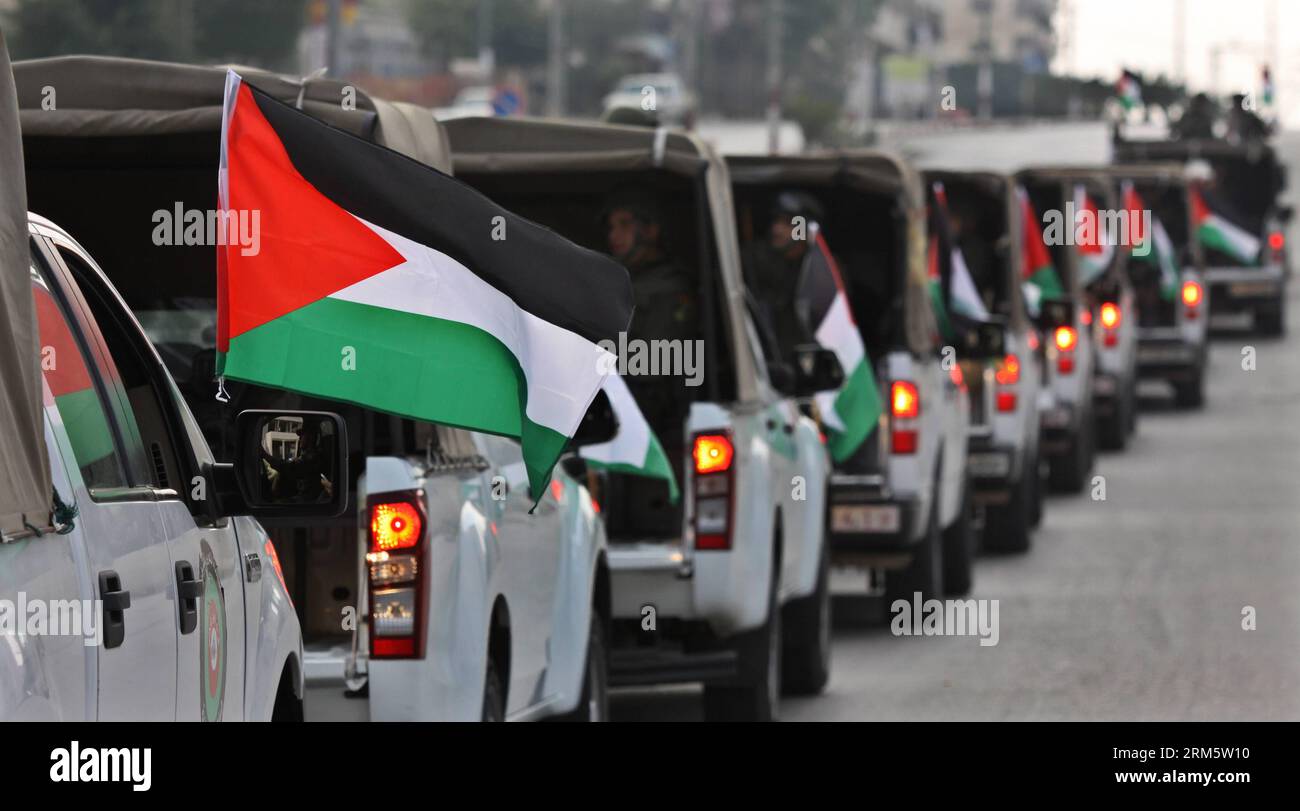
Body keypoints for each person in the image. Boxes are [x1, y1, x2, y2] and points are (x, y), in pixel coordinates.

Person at [741, 191, 824, 362]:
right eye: (776, 221)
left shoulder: (818, 270)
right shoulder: (759, 261)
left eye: (788, 223)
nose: (776, 229)